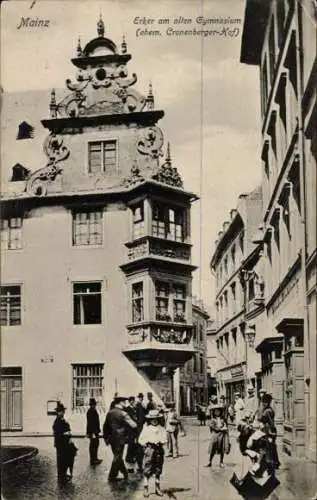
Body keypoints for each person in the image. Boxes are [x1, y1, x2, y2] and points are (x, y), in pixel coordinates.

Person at [103, 396, 138, 482]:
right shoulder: (123, 413)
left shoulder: (110, 413)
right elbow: (134, 425)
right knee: (118, 457)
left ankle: (125, 473)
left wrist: (106, 438)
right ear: (120, 403)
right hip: (120, 439)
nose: (125, 403)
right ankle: (112, 476)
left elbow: (105, 427)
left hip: (111, 439)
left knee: (117, 456)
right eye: (124, 402)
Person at [138, 409, 167, 497]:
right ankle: (146, 488)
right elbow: (141, 439)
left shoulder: (161, 428)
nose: (154, 421)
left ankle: (157, 487)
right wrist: (146, 445)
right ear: (149, 420)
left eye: (156, 419)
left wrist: (161, 441)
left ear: (158, 419)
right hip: (150, 449)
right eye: (152, 419)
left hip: (159, 449)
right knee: (147, 469)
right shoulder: (146, 428)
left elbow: (165, 439)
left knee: (158, 469)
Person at [53, 402, 77, 485]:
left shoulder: (62, 420)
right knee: (61, 461)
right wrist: (65, 434)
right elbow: (57, 434)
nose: (62, 413)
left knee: (64, 460)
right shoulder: (57, 422)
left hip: (65, 444)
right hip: (61, 444)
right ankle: (62, 477)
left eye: (63, 411)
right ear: (57, 412)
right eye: (60, 411)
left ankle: (64, 475)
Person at [259, 393, 280, 470]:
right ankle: (275, 462)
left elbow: (263, 420)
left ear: (267, 402)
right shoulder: (270, 410)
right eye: (263, 402)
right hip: (271, 430)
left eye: (264, 402)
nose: (263, 403)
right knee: (272, 446)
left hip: (268, 430)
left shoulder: (266, 411)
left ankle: (271, 462)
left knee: (268, 446)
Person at [86, 397, 102, 466]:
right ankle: (93, 460)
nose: (95, 405)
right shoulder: (91, 411)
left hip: (95, 431)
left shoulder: (92, 410)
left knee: (95, 444)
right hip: (93, 432)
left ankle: (95, 458)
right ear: (91, 405)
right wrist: (92, 433)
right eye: (93, 404)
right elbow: (90, 423)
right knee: (93, 445)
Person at [135, 392, 147, 473]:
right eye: (140, 397)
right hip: (139, 426)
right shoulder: (138, 405)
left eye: (141, 397)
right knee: (139, 446)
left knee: (141, 445)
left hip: (142, 426)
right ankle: (139, 465)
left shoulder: (142, 405)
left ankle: (140, 464)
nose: (141, 398)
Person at [125, 396, 137, 471]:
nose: (132, 402)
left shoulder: (134, 408)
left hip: (134, 428)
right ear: (129, 401)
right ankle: (129, 458)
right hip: (130, 428)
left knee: (134, 443)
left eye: (133, 400)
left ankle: (132, 456)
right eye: (131, 401)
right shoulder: (127, 409)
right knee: (130, 443)